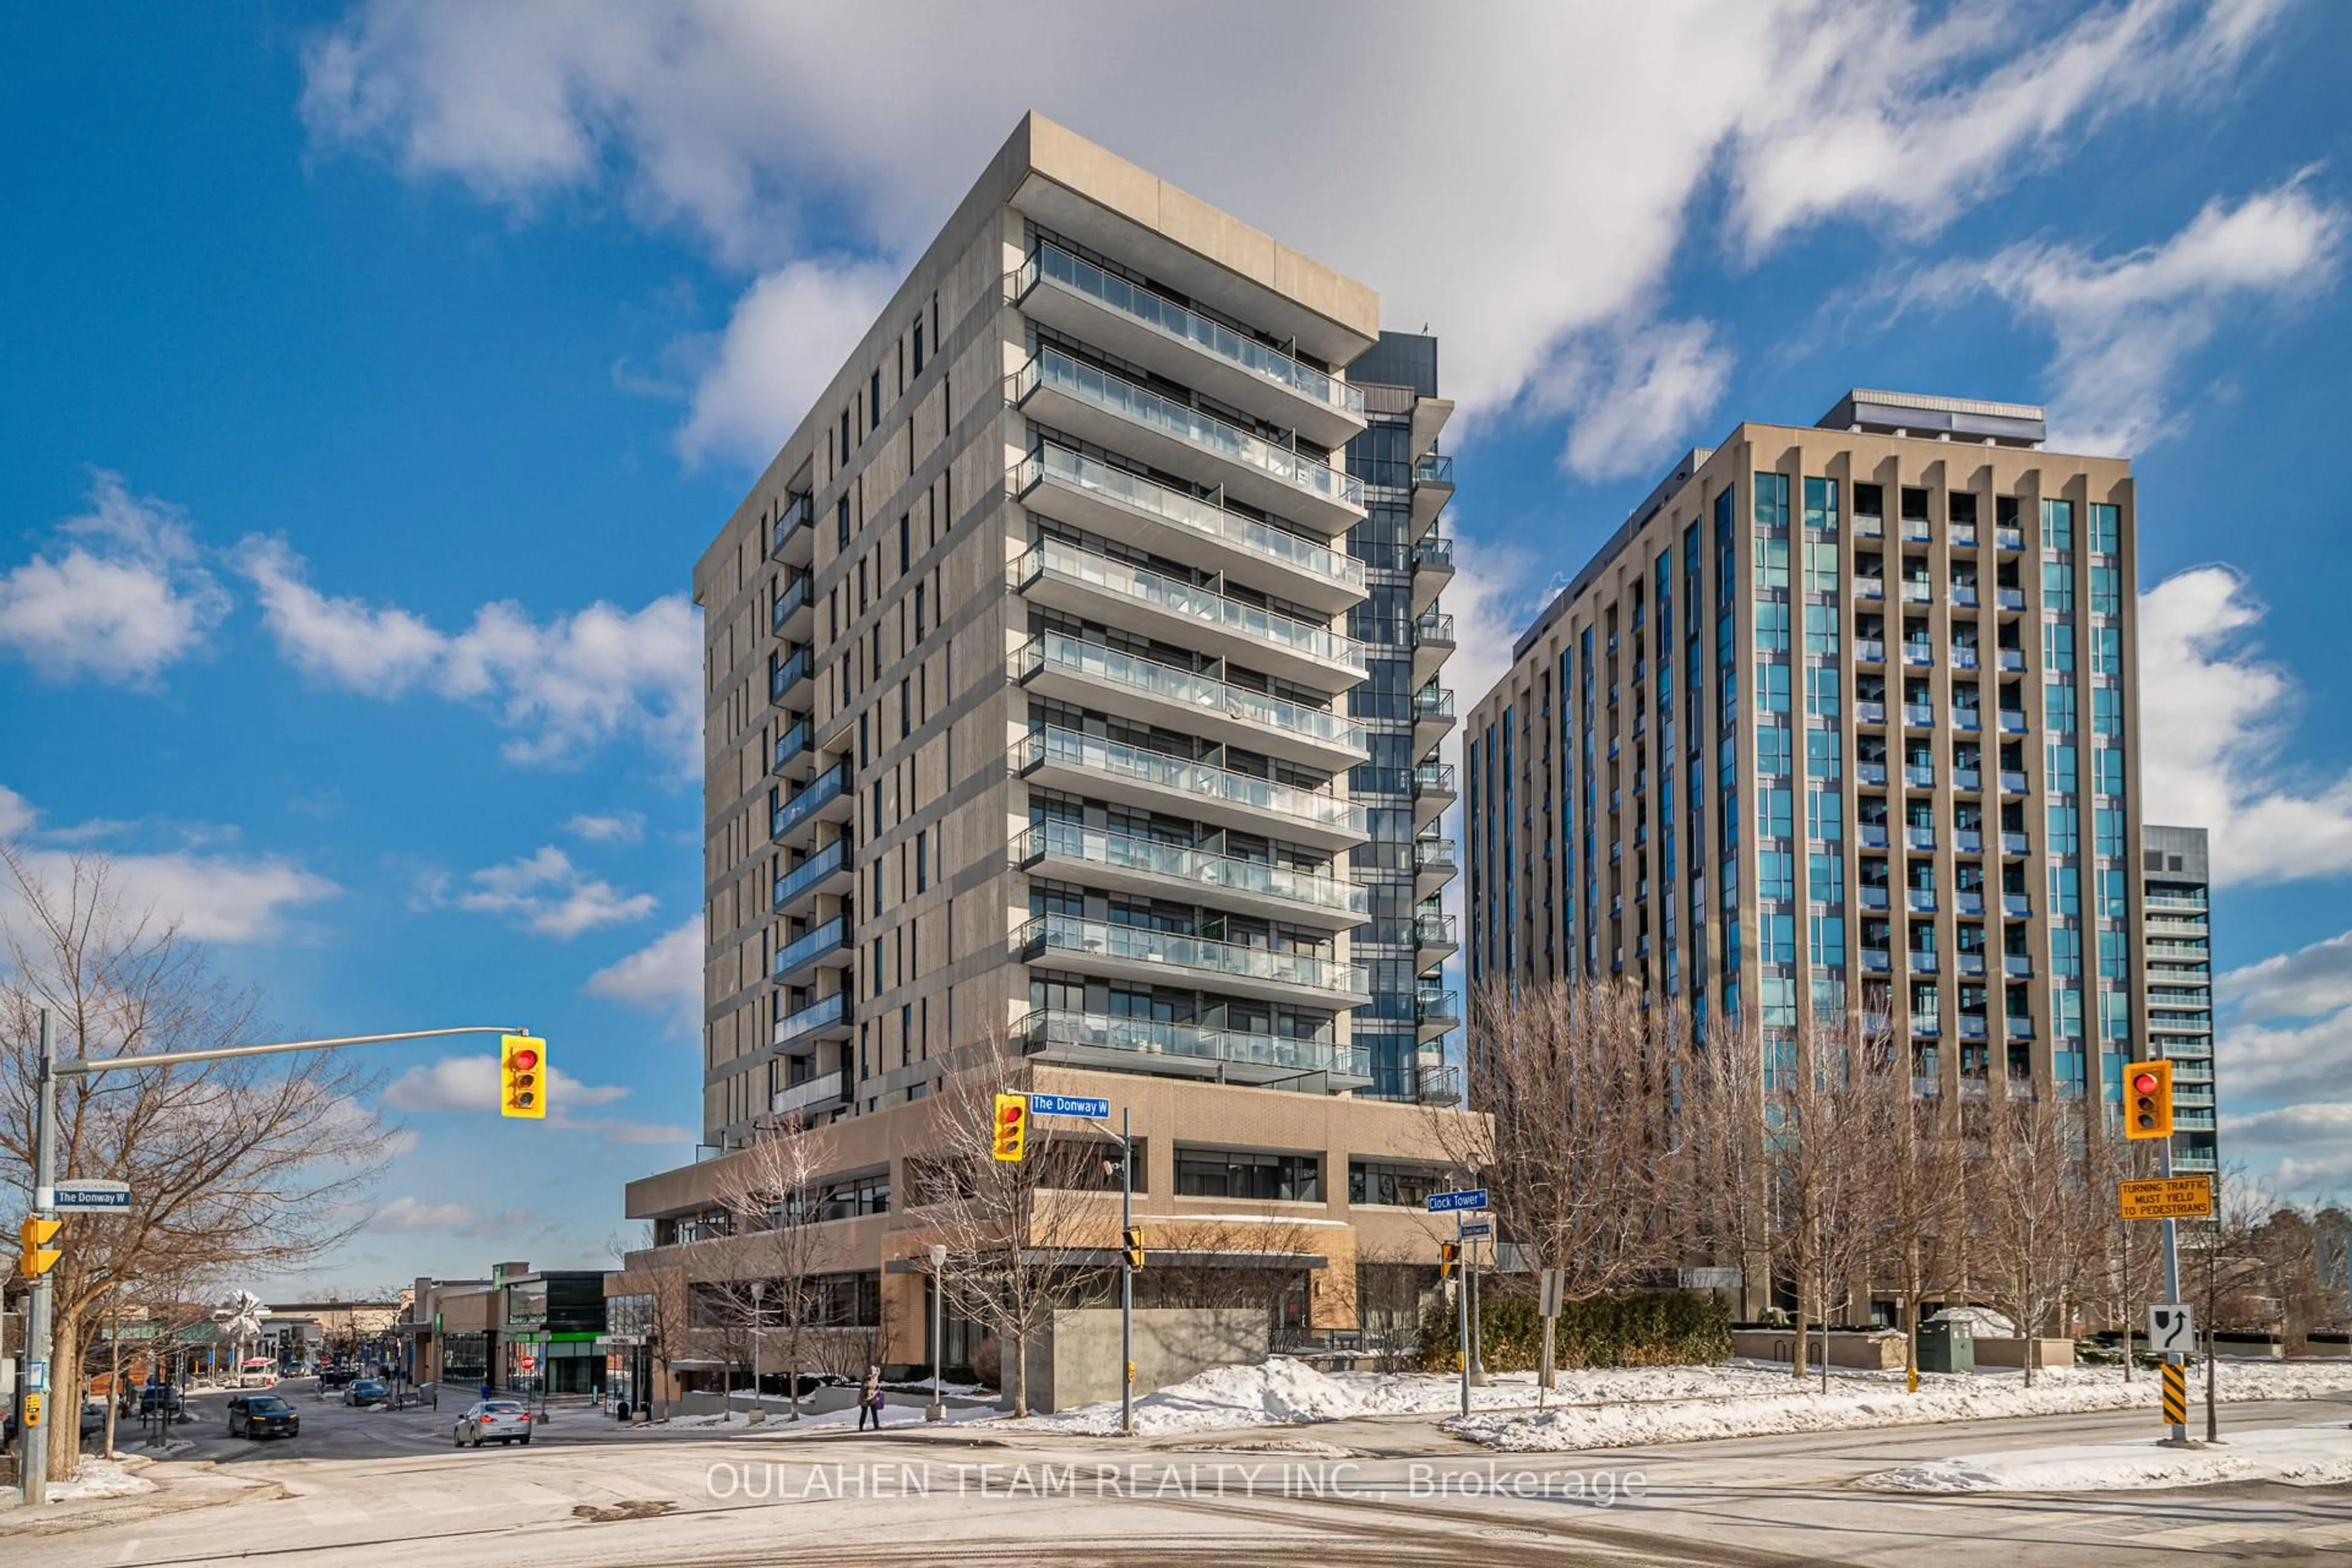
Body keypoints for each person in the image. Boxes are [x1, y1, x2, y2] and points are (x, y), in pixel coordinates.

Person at [857, 1366, 882, 1431]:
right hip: (865, 1397)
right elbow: (864, 1391)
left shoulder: (875, 1377)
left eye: (873, 1372)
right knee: (864, 1412)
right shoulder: (866, 1379)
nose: (872, 1374)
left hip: (872, 1397)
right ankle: (861, 1426)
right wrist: (864, 1401)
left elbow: (878, 1373)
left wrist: (877, 1389)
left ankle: (876, 1425)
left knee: (874, 1411)